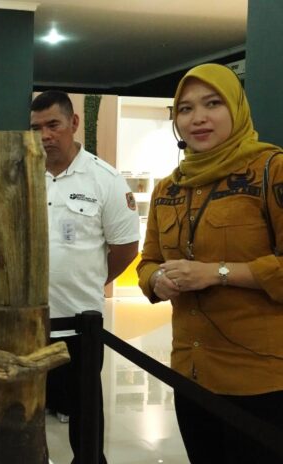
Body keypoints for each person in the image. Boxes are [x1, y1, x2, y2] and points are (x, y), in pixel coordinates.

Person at [136, 63, 283, 463]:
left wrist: (217, 273)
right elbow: (148, 261)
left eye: (213, 103)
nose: (198, 118)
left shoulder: (271, 170)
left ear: (236, 108)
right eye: (185, 109)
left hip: (262, 379)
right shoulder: (169, 188)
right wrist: (156, 280)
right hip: (191, 372)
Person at [30, 90, 140, 462]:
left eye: (53, 125)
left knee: (84, 411)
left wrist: (91, 280)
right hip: (27, 321)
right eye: (36, 128)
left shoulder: (104, 179)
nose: (45, 135)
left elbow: (125, 249)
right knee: (25, 409)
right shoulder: (22, 174)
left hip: (81, 323)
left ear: (74, 123)